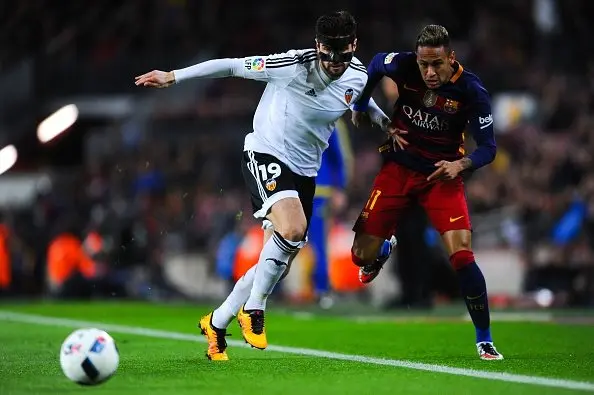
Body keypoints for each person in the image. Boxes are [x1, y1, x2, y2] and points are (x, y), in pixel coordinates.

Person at [135, 10, 395, 361]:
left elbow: (364, 101)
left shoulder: (358, 74)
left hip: (305, 173)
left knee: (277, 260)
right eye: (328, 54)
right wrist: (173, 76)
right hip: (265, 152)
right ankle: (254, 309)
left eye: (343, 55)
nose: (335, 63)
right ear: (318, 45)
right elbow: (231, 65)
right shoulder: (291, 65)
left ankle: (217, 321)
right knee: (294, 229)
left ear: (354, 46)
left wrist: (386, 124)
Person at [350, 25, 503, 360]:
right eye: (424, 65)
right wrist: (361, 105)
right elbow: (375, 64)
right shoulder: (403, 65)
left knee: (462, 256)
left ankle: (484, 338)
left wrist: (460, 166)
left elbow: (488, 148)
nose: (430, 72)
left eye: (436, 64)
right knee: (359, 256)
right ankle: (384, 246)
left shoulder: (472, 90)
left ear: (451, 57)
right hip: (398, 169)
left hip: (441, 176)